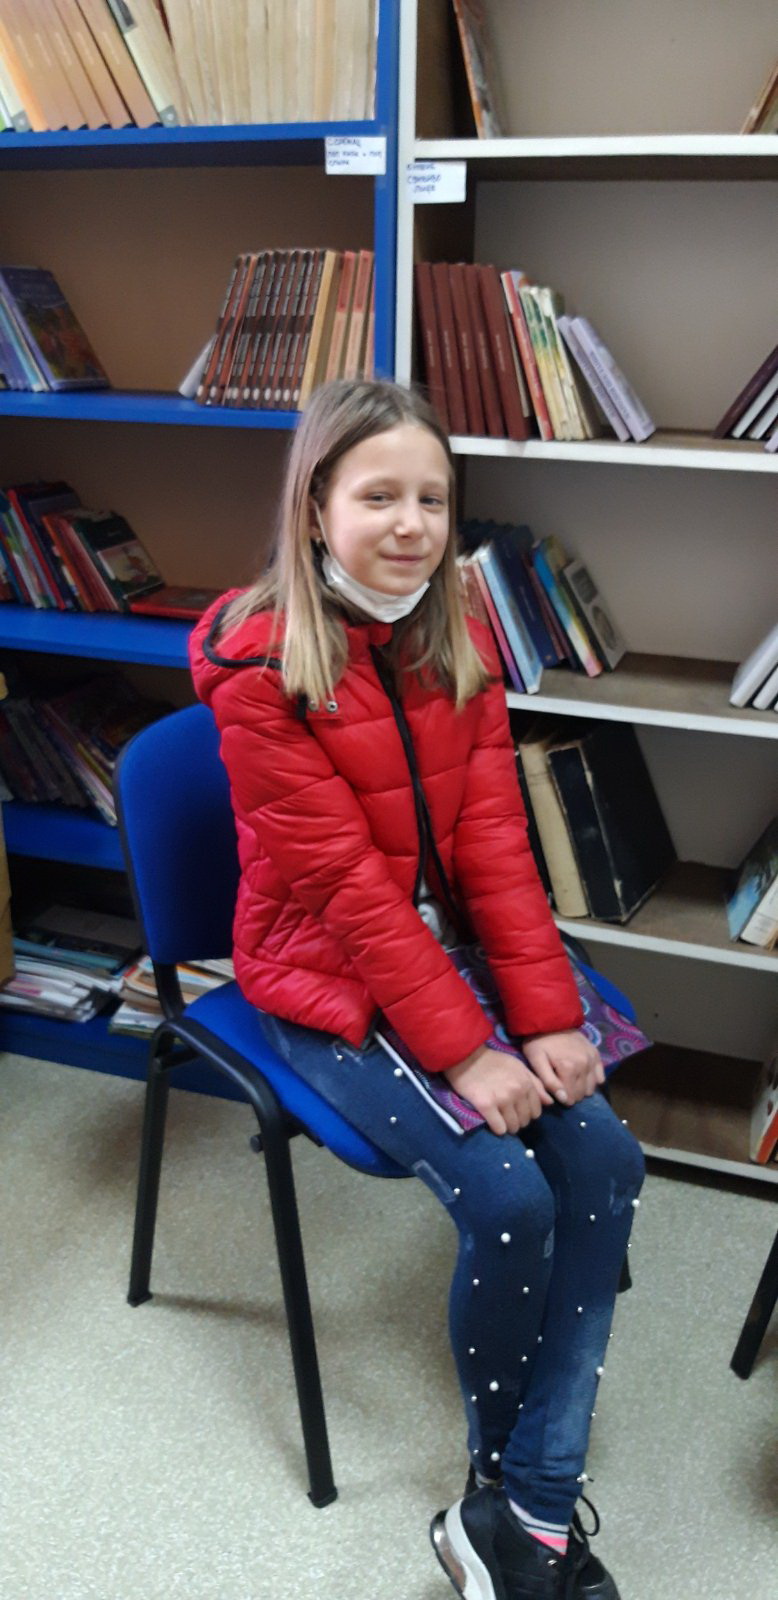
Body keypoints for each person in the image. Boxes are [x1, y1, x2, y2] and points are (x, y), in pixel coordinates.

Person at [189, 378, 645, 1600]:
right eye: (377, 495)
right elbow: (349, 894)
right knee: (510, 1196)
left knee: (606, 1160)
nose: (410, 524)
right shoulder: (259, 663)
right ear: (314, 507)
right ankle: (514, 1499)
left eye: (432, 499)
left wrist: (542, 1018)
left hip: (448, 960)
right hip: (322, 974)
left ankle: (516, 1508)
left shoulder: (457, 634)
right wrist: (468, 1052)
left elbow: (494, 844)